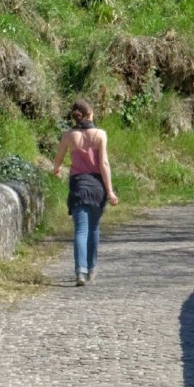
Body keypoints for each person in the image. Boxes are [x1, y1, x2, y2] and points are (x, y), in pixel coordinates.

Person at [53, 101, 117, 285]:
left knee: (80, 230)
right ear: (90, 115)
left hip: (78, 185)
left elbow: (58, 158)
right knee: (94, 229)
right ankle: (91, 269)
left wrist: (56, 169)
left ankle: (80, 271)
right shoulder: (100, 135)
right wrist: (110, 191)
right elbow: (103, 164)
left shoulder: (68, 136)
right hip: (97, 186)